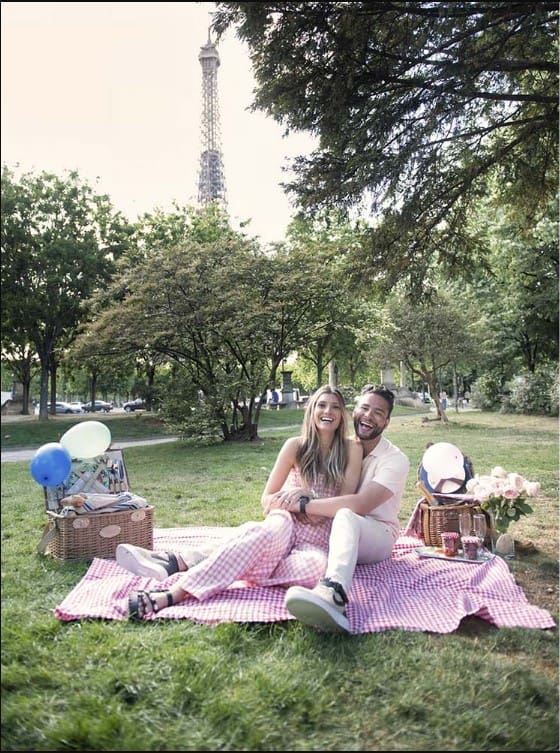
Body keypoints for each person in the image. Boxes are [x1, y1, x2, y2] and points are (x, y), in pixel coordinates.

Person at [116, 384, 363, 620]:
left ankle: (204, 560)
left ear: (343, 414)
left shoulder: (351, 449)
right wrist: (292, 500)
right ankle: (173, 594)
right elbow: (267, 500)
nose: (327, 412)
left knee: (315, 570)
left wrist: (307, 497)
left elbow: (345, 504)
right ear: (312, 410)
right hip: (285, 521)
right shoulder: (295, 446)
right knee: (263, 533)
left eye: (335, 407)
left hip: (317, 537)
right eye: (321, 405)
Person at [270, 384, 410, 633]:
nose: (368, 416)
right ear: (354, 411)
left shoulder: (395, 460)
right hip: (335, 530)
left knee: (348, 515)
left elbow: (361, 504)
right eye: (364, 408)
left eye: (378, 412)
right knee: (275, 534)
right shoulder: (342, 448)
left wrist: (303, 504)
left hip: (377, 533)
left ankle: (333, 595)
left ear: (387, 422)